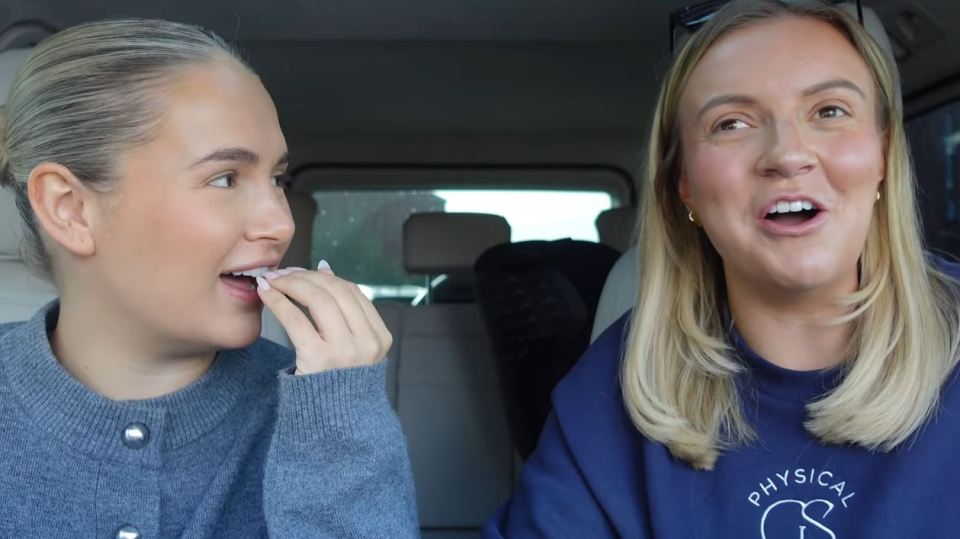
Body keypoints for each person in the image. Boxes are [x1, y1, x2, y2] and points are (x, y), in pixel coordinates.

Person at [484, 1, 960, 537]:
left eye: (829, 111)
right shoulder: (606, 393)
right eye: (731, 123)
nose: (786, 154)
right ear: (685, 186)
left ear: (883, 157)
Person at [0, 19, 418, 537]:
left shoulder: (332, 413)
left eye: (278, 179)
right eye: (225, 178)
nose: (282, 224)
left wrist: (338, 425)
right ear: (71, 210)